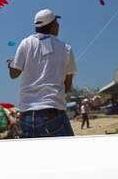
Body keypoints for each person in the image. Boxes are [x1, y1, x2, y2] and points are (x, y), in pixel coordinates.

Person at [7, 9, 76, 138]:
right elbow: (67, 87)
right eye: (57, 22)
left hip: (26, 116)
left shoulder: (26, 43)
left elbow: (14, 74)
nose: (58, 26)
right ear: (53, 25)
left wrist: (10, 64)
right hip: (53, 113)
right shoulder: (66, 48)